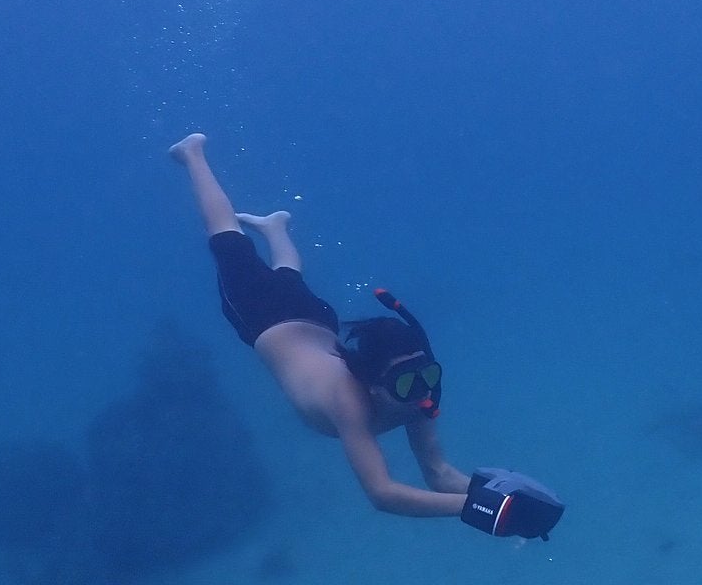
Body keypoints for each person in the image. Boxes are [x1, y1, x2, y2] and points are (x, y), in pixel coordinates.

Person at [167, 133, 564, 538]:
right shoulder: (349, 401)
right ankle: (194, 155)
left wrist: (505, 507)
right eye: (406, 382)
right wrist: (478, 508)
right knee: (228, 239)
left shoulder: (417, 391)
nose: (421, 392)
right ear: (372, 385)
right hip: (263, 318)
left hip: (314, 321)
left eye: (426, 375)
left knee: (288, 277)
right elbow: (381, 493)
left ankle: (274, 229)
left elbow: (438, 473)